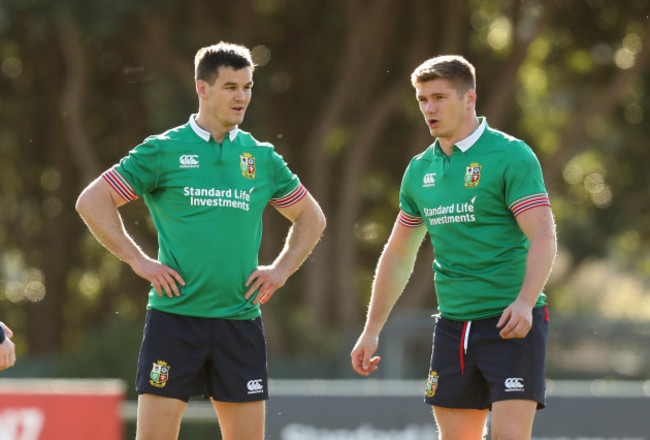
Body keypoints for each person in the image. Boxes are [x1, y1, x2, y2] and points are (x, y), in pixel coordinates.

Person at [76, 42, 326, 440]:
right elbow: (92, 200)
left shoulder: (261, 158)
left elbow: (311, 217)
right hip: (174, 321)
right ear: (202, 89)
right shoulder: (164, 150)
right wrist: (138, 260)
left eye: (247, 87)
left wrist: (281, 269)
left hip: (239, 322)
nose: (241, 97)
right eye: (230, 87)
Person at [351, 55, 556, 440]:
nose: (429, 108)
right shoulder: (418, 171)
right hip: (453, 327)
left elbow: (543, 235)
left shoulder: (510, 155)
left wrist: (526, 301)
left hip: (511, 324)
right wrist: (371, 329)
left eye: (439, 97)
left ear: (469, 99)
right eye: (422, 99)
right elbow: (398, 253)